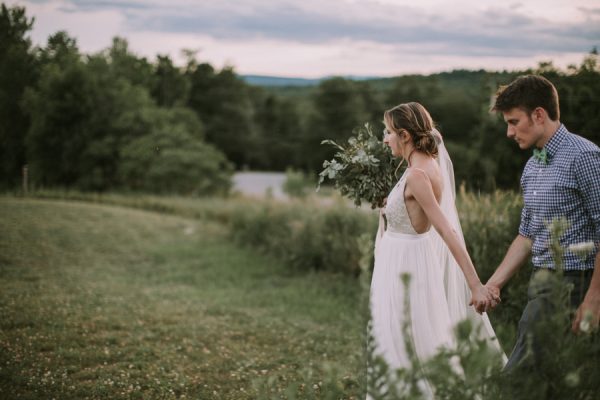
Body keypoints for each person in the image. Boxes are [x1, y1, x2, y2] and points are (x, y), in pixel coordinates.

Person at [369, 102, 505, 399]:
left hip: (406, 265)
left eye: (388, 132)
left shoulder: (418, 175)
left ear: (404, 135)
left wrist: (475, 285)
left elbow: (447, 230)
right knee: (402, 339)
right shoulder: (421, 169)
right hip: (401, 260)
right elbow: (410, 215)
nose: (385, 138)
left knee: (407, 339)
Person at [484, 74, 600, 371]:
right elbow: (526, 236)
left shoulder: (584, 156)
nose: (509, 132)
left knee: (518, 379)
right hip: (541, 283)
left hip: (576, 283)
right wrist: (493, 285)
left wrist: (594, 299)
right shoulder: (533, 166)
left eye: (513, 121)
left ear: (538, 115)